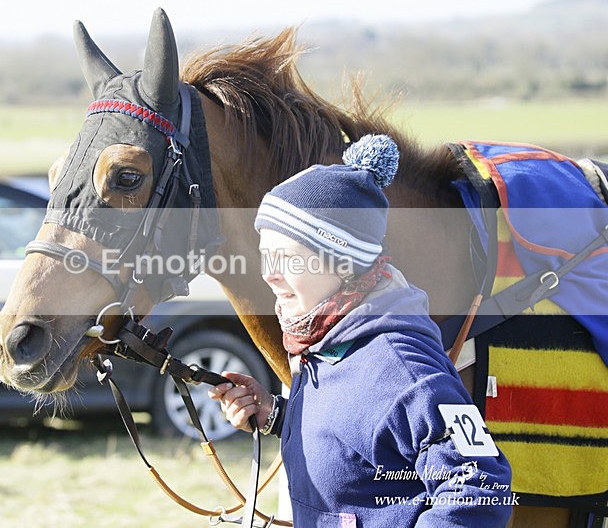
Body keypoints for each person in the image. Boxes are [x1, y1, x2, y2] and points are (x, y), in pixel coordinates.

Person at [208, 135, 513, 527]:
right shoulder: (325, 340)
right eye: (267, 255)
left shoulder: (403, 367)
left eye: (287, 259)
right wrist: (275, 415)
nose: (270, 274)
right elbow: (363, 439)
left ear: (340, 263)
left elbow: (481, 488)